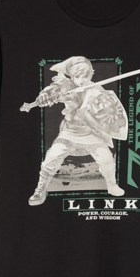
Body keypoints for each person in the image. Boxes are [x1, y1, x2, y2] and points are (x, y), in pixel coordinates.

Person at [29, 56, 127, 206]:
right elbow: (53, 89)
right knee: (52, 157)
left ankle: (112, 185)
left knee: (107, 159)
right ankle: (40, 189)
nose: (82, 80)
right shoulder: (66, 85)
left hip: (92, 132)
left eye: (86, 76)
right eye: (78, 76)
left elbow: (108, 110)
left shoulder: (97, 89)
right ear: (72, 75)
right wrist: (45, 96)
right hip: (71, 132)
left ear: (92, 73)